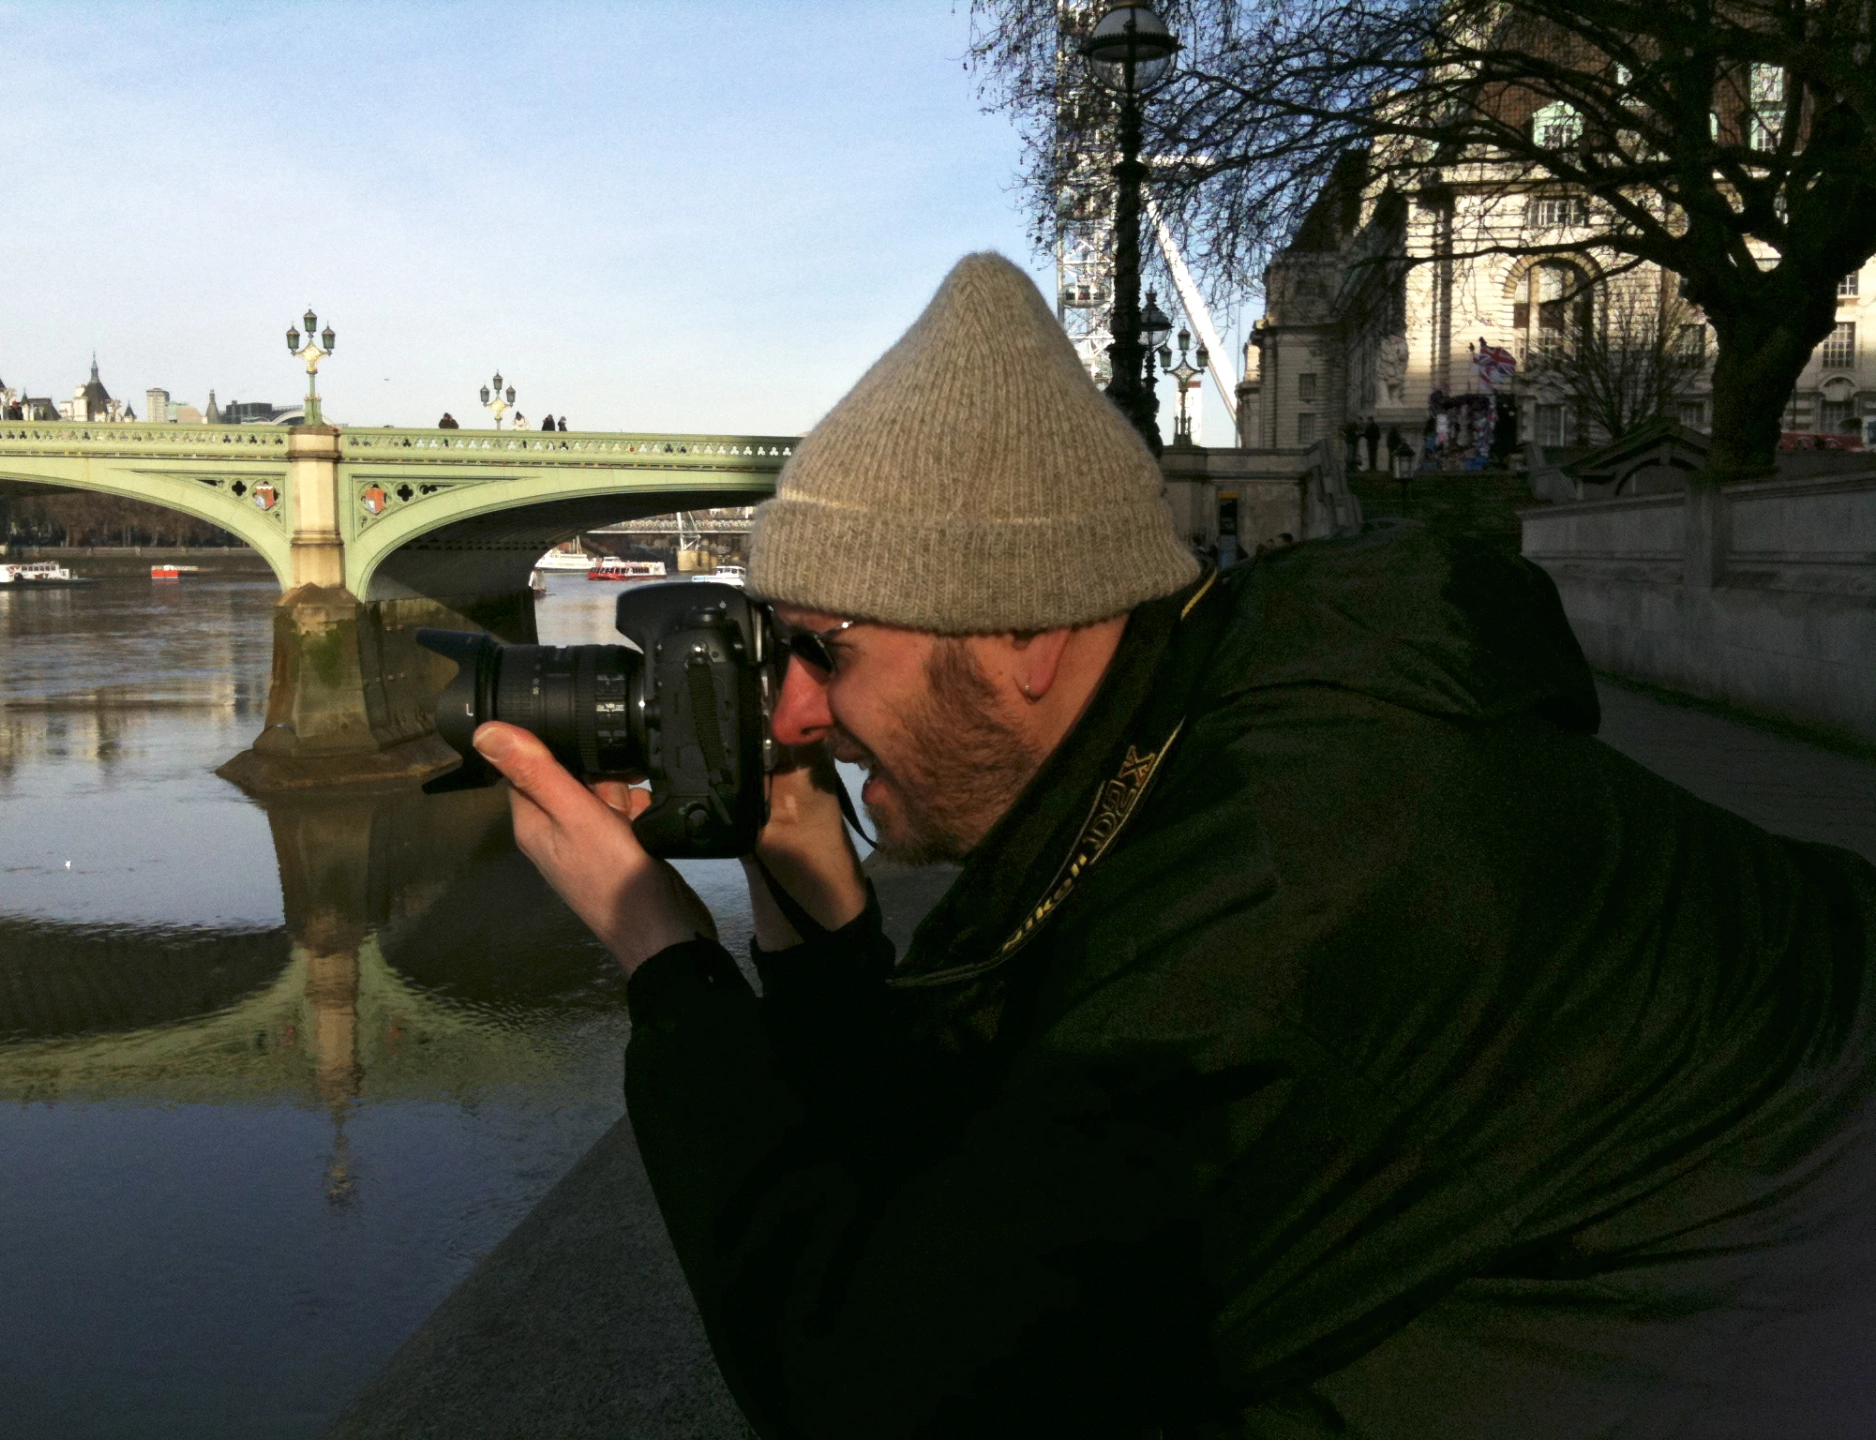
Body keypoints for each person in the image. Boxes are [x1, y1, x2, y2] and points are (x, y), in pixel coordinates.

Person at [474, 253, 1876, 1437]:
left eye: (825, 654)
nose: (790, 711)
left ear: (1022, 630)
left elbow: (880, 1387)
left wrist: (662, 955)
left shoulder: (1292, 867)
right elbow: (969, 1188)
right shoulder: (1193, 729)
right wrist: (825, 931)